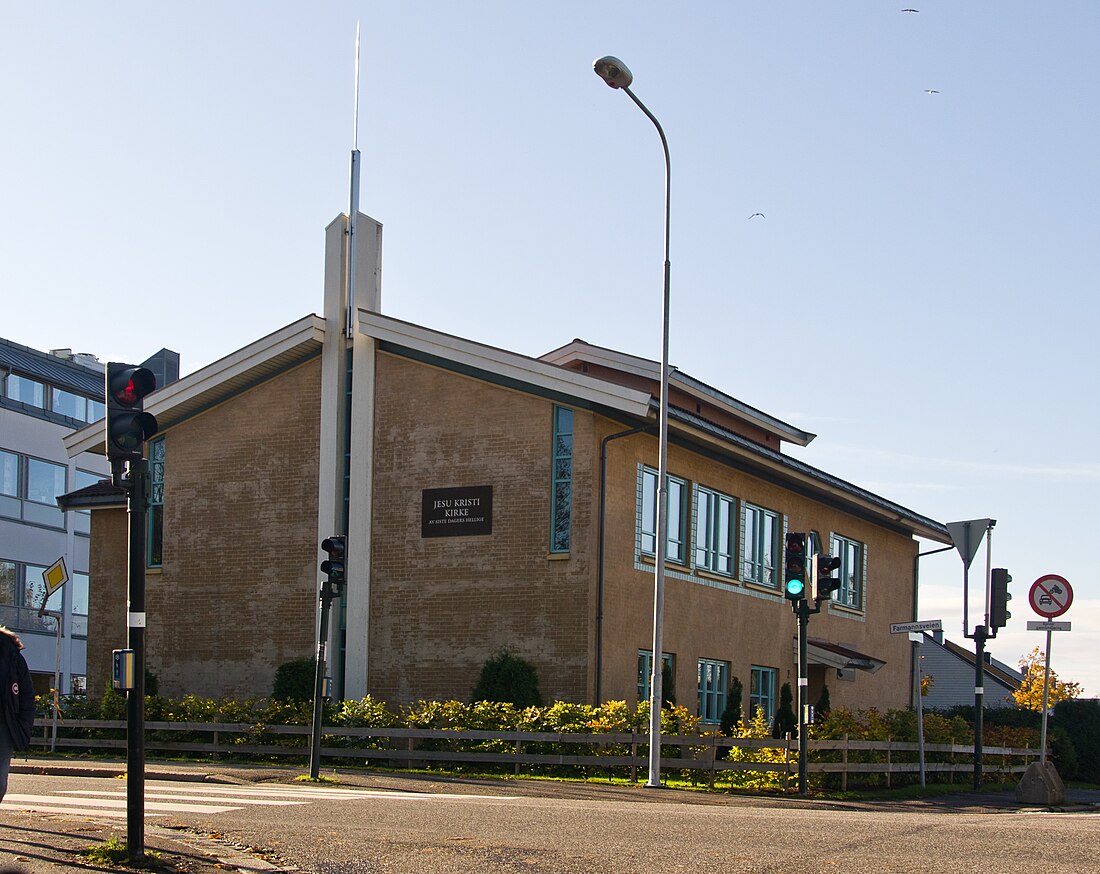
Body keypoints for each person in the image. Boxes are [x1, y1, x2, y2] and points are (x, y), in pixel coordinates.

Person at [0, 625, 36, 801]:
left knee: (0, 780)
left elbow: (26, 696)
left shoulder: (11, 654)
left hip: (4, 726)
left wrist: (23, 727)